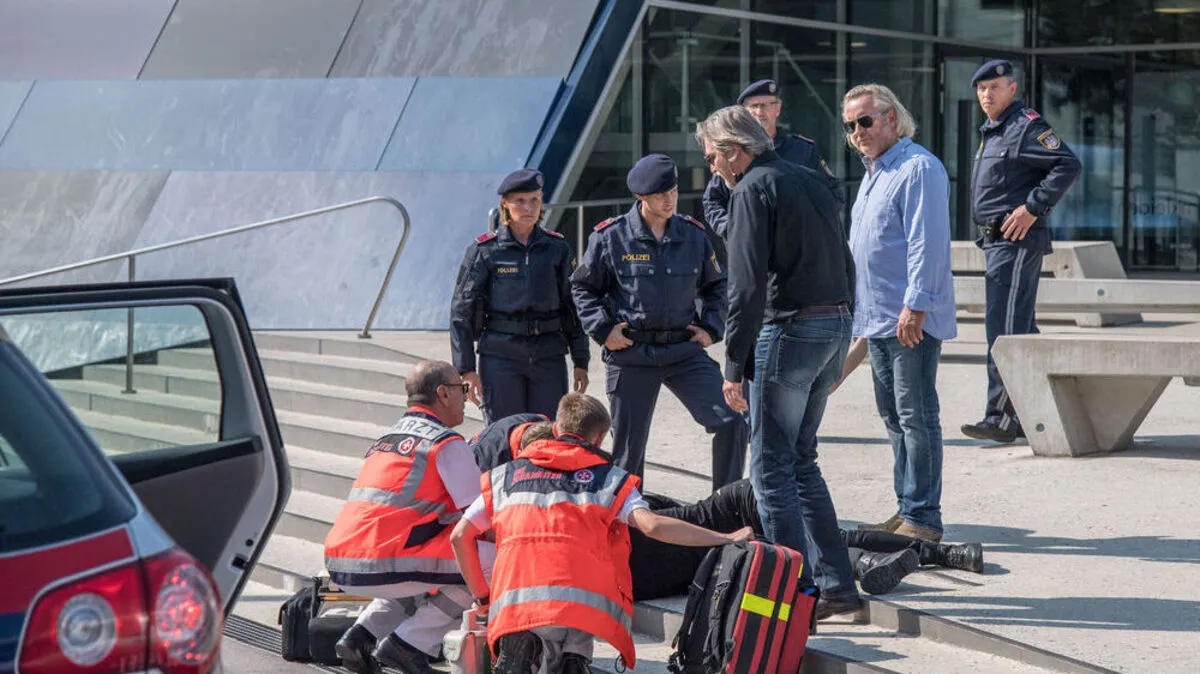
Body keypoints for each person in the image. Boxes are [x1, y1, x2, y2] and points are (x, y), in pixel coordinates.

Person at [483, 419, 984, 600]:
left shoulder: (521, 504)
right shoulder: (583, 486)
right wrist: (725, 540)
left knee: (783, 525)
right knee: (788, 534)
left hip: (693, 537)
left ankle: (896, 558)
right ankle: (920, 555)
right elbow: (655, 524)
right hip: (694, 543)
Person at [696, 105, 861, 620]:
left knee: (770, 469)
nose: (712, 169)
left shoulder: (750, 189)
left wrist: (732, 365)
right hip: (833, 323)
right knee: (801, 460)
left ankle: (796, 598)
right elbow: (847, 260)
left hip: (790, 329)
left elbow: (744, 287)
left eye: (713, 158)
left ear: (733, 152)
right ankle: (836, 585)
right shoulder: (811, 179)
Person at [449, 393, 752, 674]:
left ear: (556, 428)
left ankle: (532, 643)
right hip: (581, 606)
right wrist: (726, 538)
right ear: (599, 438)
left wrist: (483, 597)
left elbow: (459, 537)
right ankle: (574, 654)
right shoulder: (610, 480)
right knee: (583, 588)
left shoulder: (503, 477)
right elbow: (653, 526)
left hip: (515, 600)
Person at [570, 153, 748, 490]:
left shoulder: (693, 235)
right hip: (632, 353)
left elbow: (717, 285)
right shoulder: (611, 237)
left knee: (731, 421)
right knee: (629, 451)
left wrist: (711, 328)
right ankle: (629, 515)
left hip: (683, 350)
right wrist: (604, 330)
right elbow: (582, 287)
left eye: (673, 191)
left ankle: (726, 504)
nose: (669, 200)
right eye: (660, 195)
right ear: (641, 196)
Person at [840, 83, 957, 544]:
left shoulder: (918, 167)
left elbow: (928, 242)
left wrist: (915, 305)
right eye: (850, 125)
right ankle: (908, 508)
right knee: (894, 417)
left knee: (916, 416)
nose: (857, 132)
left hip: (909, 319)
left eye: (865, 121)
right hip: (878, 319)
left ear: (892, 118)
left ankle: (923, 518)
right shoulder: (875, 172)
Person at [323, 361, 484, 674]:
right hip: (387, 561)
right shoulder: (445, 443)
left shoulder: (387, 438)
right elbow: (481, 518)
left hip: (345, 561)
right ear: (443, 393)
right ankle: (410, 644)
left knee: (425, 571)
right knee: (486, 560)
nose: (466, 397)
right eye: (461, 389)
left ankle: (360, 636)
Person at [960, 59, 1081, 444]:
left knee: (1004, 331)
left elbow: (1067, 164)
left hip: (1014, 242)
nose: (986, 95)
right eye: (981, 89)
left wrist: (1032, 208)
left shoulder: (1025, 126)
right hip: (995, 242)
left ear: (1012, 89)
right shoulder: (994, 130)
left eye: (994, 87)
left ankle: (1001, 417)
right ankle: (1043, 411)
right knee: (1022, 329)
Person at [450, 168, 590, 424]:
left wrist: (581, 360)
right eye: (520, 201)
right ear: (505, 203)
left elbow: (572, 308)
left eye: (535, 200)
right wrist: (466, 369)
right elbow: (461, 311)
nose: (529, 208)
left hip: (548, 356)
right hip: (500, 357)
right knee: (504, 432)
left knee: (546, 431)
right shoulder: (485, 251)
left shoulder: (557, 249)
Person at [702, 79, 842, 244]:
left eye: (766, 105)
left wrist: (807, 228)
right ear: (744, 115)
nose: (759, 112)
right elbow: (712, 201)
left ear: (778, 109)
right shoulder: (733, 153)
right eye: (753, 107)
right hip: (750, 244)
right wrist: (734, 229)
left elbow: (833, 195)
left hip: (796, 245)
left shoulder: (802, 149)